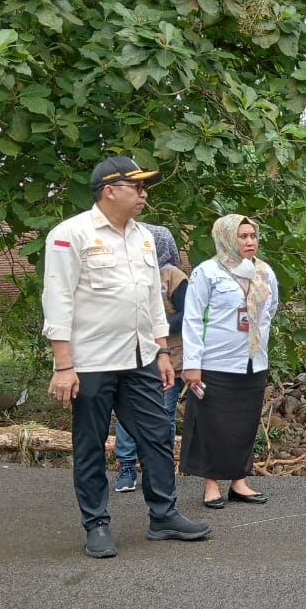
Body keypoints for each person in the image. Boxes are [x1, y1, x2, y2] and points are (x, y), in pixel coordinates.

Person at [41, 156, 212, 558]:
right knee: (90, 444)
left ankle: (163, 515)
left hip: (141, 359)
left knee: (157, 435)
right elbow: (58, 299)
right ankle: (97, 525)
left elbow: (152, 300)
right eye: (137, 187)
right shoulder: (70, 234)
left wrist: (162, 351)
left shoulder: (144, 238)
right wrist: (64, 365)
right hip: (91, 362)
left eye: (144, 187)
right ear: (109, 191)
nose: (144, 194)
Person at [180, 214, 280, 508]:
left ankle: (239, 481)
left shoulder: (264, 271)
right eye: (242, 236)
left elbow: (271, 308)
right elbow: (192, 318)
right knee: (212, 424)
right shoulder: (207, 272)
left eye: (253, 236)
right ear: (226, 238)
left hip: (252, 360)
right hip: (215, 361)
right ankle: (211, 484)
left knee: (244, 423)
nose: (250, 241)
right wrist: (192, 363)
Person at [113, 223, 188, 493]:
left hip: (170, 358)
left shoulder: (173, 276)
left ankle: (160, 467)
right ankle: (127, 466)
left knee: (164, 415)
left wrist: (157, 327)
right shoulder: (127, 273)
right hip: (131, 357)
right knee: (127, 413)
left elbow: (188, 314)